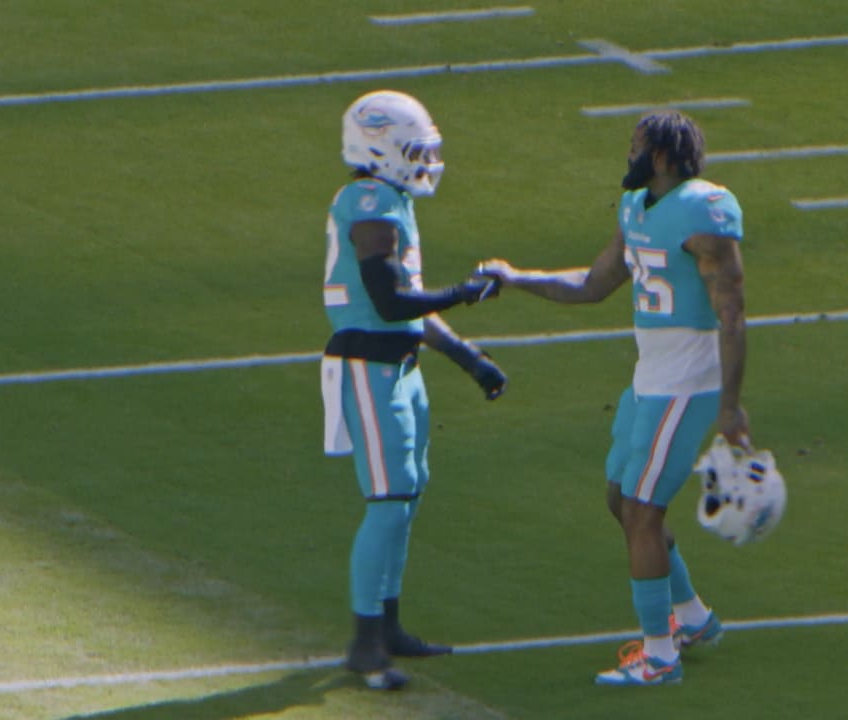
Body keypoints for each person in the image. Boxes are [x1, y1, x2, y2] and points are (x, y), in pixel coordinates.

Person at [477, 110, 748, 687]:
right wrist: (517, 276)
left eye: (635, 147)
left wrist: (729, 404)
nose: (626, 156)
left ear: (662, 158)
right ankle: (694, 620)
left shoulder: (705, 212)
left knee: (641, 513)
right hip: (649, 380)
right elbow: (594, 283)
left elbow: (731, 309)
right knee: (619, 499)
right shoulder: (636, 208)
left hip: (686, 385)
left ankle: (660, 656)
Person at [321, 89, 506, 691]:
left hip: (399, 366)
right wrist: (463, 292)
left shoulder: (390, 199)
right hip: (368, 366)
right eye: (412, 149)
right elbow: (390, 299)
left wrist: (467, 357)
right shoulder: (370, 202)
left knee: (408, 496)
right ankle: (365, 644)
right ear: (378, 148)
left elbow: (411, 312)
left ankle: (389, 627)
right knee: (388, 499)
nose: (424, 161)